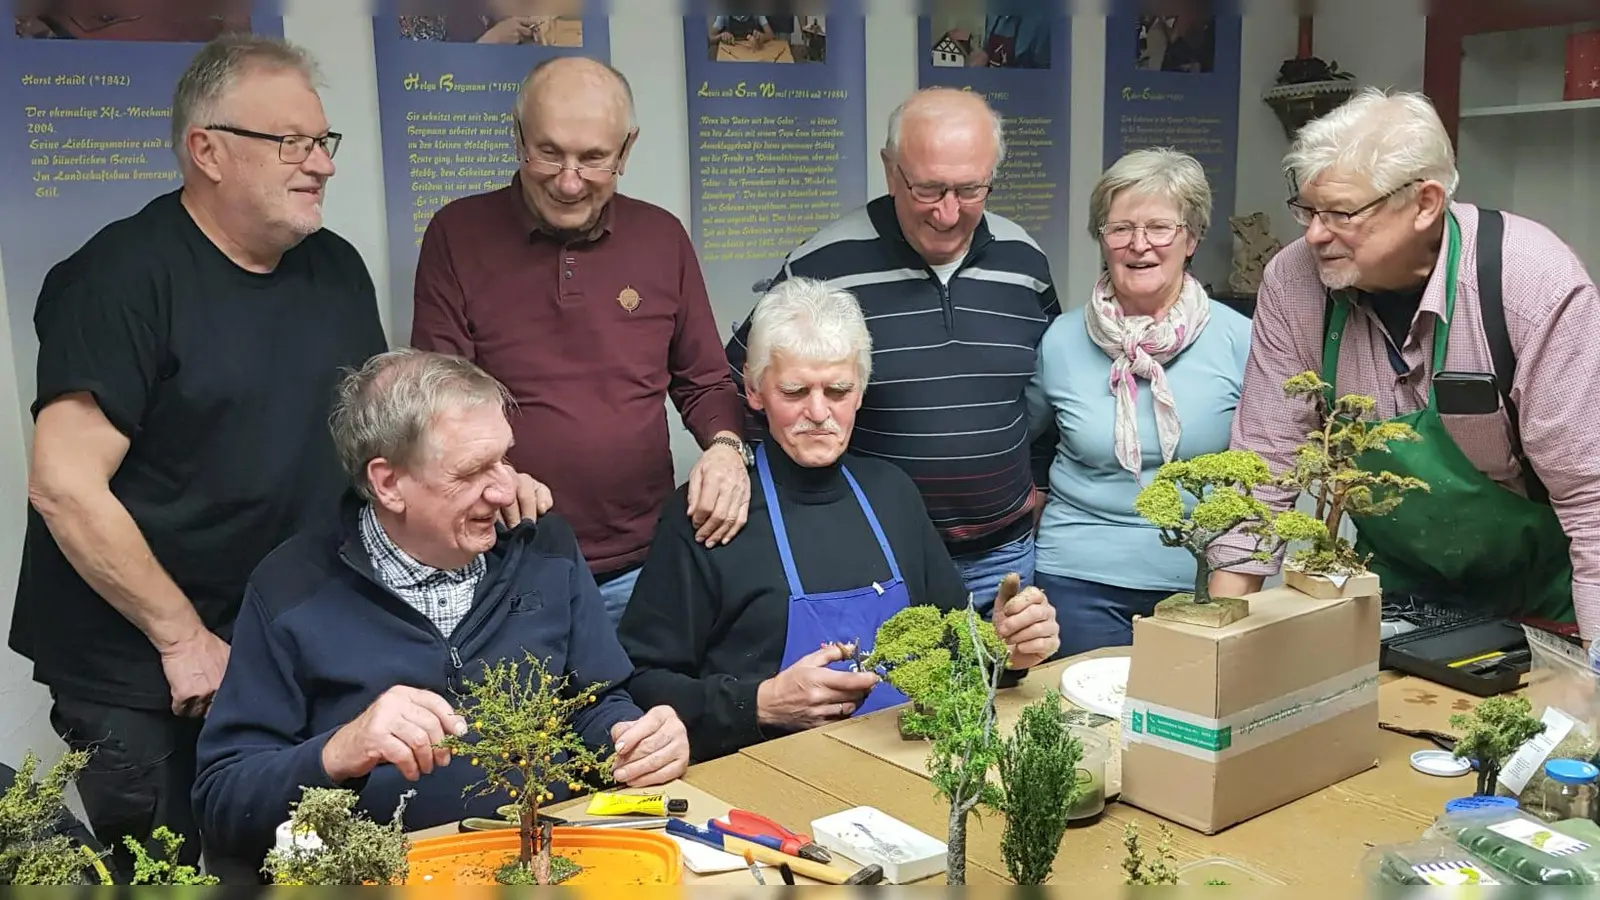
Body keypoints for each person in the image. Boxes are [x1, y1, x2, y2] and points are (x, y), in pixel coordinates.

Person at [12, 35, 549, 882]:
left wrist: (479, 479)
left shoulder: (332, 269)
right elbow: (63, 485)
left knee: (297, 861)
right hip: (144, 664)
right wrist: (181, 636)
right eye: (291, 143)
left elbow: (390, 443)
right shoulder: (117, 278)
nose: (321, 165)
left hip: (280, 641)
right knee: (180, 872)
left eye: (322, 142)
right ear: (207, 151)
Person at [193, 349, 690, 876]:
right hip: (383, 876)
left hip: (544, 866)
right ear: (388, 484)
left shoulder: (542, 546)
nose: (503, 489)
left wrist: (635, 738)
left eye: (504, 458)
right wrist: (341, 750)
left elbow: (595, 701)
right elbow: (223, 802)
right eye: (472, 471)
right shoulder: (290, 591)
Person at [1207, 88, 1600, 639]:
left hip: (1543, 597)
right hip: (1395, 596)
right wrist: (1220, 640)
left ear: (1425, 203)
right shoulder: (1294, 282)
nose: (1315, 234)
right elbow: (1265, 463)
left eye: (1342, 213)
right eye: (1308, 210)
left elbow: (1592, 499)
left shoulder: (1530, 284)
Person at [622, 278, 1061, 762]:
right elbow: (639, 683)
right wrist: (760, 704)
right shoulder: (710, 513)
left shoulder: (891, 495)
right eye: (794, 390)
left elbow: (956, 650)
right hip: (764, 781)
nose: (818, 412)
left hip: (908, 772)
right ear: (753, 389)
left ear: (861, 390)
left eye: (837, 390)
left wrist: (1006, 649)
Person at [412, 56, 750, 628]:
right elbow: (438, 395)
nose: (569, 182)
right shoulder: (456, 233)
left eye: (593, 158)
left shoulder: (661, 237)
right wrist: (494, 473)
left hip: (642, 564)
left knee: (640, 715)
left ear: (625, 150)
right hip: (504, 558)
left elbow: (705, 380)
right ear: (517, 138)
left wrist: (726, 449)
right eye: (548, 152)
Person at [726, 87, 1059, 617]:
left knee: (1003, 692)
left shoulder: (1025, 261)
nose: (948, 213)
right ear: (890, 170)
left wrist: (1038, 483)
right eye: (928, 189)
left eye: (969, 189)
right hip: (873, 556)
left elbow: (1050, 388)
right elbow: (741, 381)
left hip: (1006, 553)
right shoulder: (825, 263)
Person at [1026, 148, 1250, 656]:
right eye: (1120, 228)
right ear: (1101, 239)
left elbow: (1271, 464)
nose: (1139, 245)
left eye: (1159, 228)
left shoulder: (1241, 340)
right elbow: (1024, 437)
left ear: (1191, 238)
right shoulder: (1060, 340)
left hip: (1204, 581)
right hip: (1076, 574)